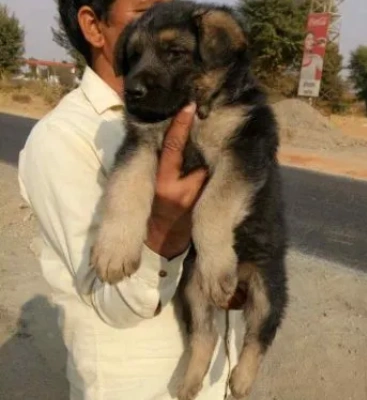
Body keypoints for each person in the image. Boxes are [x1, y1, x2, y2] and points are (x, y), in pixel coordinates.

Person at [17, 1, 245, 399]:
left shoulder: (196, 113)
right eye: (145, 10)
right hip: (140, 387)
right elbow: (110, 302)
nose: (163, 19)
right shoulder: (62, 140)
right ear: (93, 26)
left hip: (214, 379)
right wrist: (163, 231)